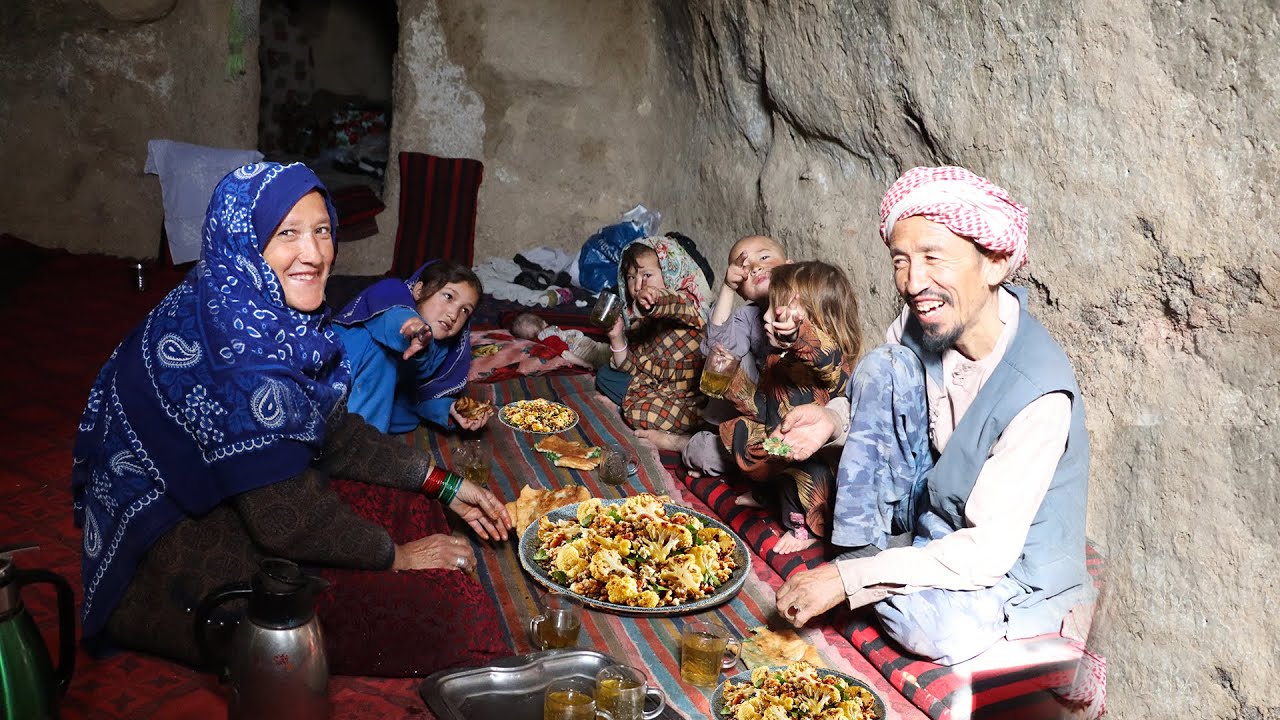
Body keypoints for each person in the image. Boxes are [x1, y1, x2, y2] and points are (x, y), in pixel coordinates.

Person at [71, 162, 514, 677]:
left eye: (322, 230)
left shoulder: (258, 309)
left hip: (227, 502)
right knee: (453, 623)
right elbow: (286, 519)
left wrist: (440, 482)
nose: (314, 253)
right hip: (167, 559)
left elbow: (333, 430)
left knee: (405, 503)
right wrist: (398, 558)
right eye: (288, 234)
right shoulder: (239, 351)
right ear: (246, 241)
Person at [773, 166, 1092, 666]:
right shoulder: (926, 318)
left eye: (932, 257)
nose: (913, 281)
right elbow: (868, 398)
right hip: (932, 504)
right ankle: (861, 551)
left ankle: (864, 568)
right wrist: (832, 420)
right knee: (883, 366)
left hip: (1001, 559)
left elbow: (987, 551)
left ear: (995, 264)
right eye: (901, 260)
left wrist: (847, 581)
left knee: (940, 629)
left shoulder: (1038, 394)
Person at [717, 261, 862, 554]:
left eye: (779, 310)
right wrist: (730, 381)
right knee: (744, 434)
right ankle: (768, 494)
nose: (767, 318)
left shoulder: (829, 363)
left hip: (813, 455)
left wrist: (801, 337)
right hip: (780, 440)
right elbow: (764, 404)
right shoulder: (776, 358)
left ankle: (804, 527)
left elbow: (826, 355)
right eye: (770, 307)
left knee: (807, 473)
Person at [333, 260, 494, 434]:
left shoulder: (442, 348)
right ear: (419, 290)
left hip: (361, 401)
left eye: (465, 310)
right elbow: (394, 317)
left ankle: (358, 436)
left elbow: (416, 395)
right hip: (331, 377)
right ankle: (355, 445)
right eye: (448, 296)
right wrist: (412, 329)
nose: (453, 314)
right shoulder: (391, 294)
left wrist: (450, 409)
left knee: (407, 412)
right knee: (383, 355)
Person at [595, 236, 712, 445]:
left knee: (639, 412)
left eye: (647, 275)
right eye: (631, 277)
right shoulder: (643, 320)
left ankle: (681, 437)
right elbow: (634, 367)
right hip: (655, 388)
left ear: (670, 272)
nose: (639, 285)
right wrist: (616, 338)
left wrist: (655, 298)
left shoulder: (690, 306)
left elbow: (671, 303)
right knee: (605, 375)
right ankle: (628, 404)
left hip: (689, 398)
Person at [508, 311, 611, 369]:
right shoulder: (548, 338)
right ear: (542, 322)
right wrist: (584, 363)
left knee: (611, 355)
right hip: (587, 352)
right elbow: (566, 353)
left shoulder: (550, 332)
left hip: (590, 347)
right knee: (611, 360)